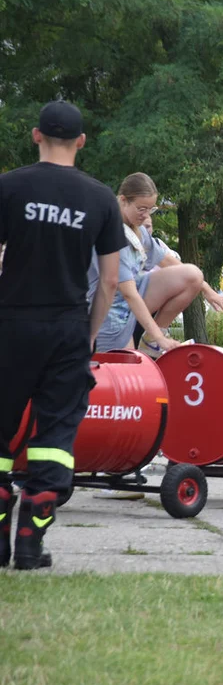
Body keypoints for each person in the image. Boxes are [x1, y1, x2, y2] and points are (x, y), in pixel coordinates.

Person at [0, 100, 124, 569]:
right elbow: (109, 281)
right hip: (67, 329)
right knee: (54, 436)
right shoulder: (99, 199)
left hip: (10, 324)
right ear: (82, 142)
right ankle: (31, 543)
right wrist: (88, 335)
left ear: (35, 136)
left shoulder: (8, 187)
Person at [89, 173, 223, 358]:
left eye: (151, 209)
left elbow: (167, 260)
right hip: (108, 315)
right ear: (123, 200)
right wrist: (162, 339)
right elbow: (129, 294)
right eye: (141, 209)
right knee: (126, 372)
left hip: (129, 303)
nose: (146, 216)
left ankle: (150, 341)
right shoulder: (112, 233)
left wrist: (207, 290)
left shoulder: (138, 230)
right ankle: (151, 340)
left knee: (193, 275)